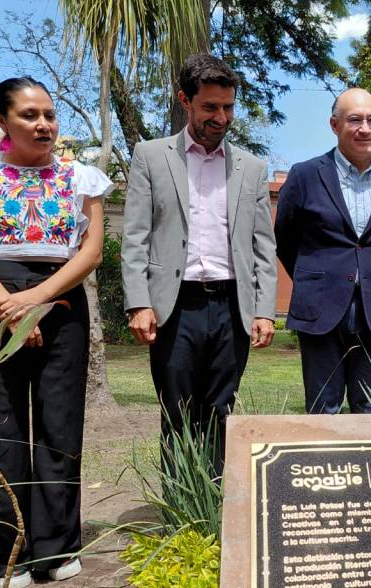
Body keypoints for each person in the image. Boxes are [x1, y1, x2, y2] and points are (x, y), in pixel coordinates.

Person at [0, 76, 112, 588]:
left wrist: (34, 300)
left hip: (60, 300)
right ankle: (0, 557)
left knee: (59, 426)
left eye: (50, 115)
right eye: (30, 115)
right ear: (3, 121)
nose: (44, 124)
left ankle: (55, 549)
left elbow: (90, 252)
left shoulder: (83, 178)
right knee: (0, 429)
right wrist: (8, 305)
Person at [122, 54, 277, 477]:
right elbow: (135, 237)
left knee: (221, 411)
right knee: (176, 413)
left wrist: (264, 309)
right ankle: (181, 516)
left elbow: (263, 245)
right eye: (210, 107)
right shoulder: (150, 157)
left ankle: (217, 510)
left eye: (228, 107)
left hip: (231, 307)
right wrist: (138, 303)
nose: (221, 117)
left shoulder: (252, 167)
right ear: (184, 101)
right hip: (175, 307)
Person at [275, 88, 371, 414]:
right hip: (320, 311)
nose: (365, 128)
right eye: (354, 120)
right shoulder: (305, 176)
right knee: (324, 412)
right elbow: (285, 239)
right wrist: (317, 278)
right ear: (334, 125)